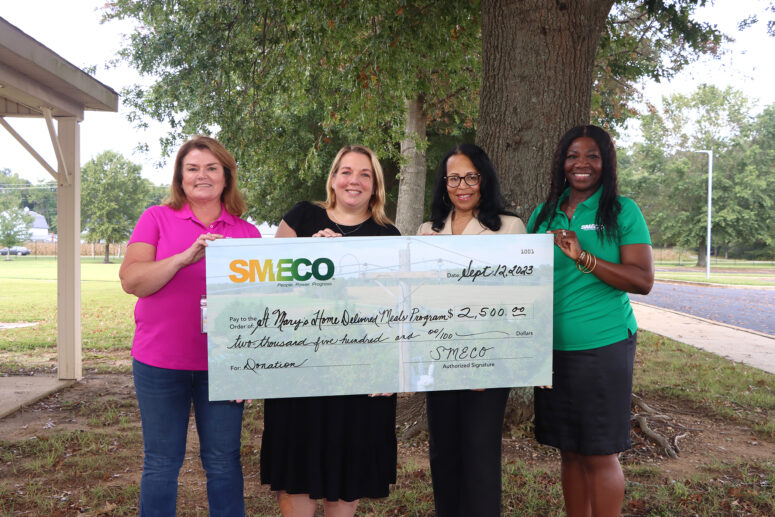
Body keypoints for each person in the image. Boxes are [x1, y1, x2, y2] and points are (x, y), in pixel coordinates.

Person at [119, 135, 260, 517]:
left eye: (212, 168)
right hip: (160, 363)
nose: (202, 176)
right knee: (162, 463)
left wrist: (249, 371)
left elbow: (259, 308)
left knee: (223, 461)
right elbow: (132, 281)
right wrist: (184, 258)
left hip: (224, 368)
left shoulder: (247, 233)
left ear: (226, 177)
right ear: (180, 178)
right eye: (193, 169)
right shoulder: (156, 218)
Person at [260, 145, 400, 517]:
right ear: (333, 179)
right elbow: (270, 291)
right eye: (346, 171)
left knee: (346, 479)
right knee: (296, 476)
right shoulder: (302, 217)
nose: (354, 180)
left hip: (358, 375)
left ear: (375, 186)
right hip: (299, 369)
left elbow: (395, 311)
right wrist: (307, 254)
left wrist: (391, 367)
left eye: (365, 174)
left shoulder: (389, 236)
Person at [528, 125, 654, 517]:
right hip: (553, 349)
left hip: (603, 347)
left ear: (606, 163)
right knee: (569, 451)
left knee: (599, 453)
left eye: (592, 156)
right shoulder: (543, 213)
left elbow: (642, 280)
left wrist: (584, 257)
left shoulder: (621, 210)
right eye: (572, 156)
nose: (581, 164)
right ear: (561, 163)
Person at [417, 143, 526, 517]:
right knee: (443, 454)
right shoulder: (426, 230)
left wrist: (486, 360)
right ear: (443, 183)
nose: (461, 185)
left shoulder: (510, 228)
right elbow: (417, 301)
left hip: (487, 363)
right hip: (439, 360)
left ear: (484, 179)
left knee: (480, 456)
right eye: (453, 177)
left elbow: (518, 304)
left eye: (470, 176)